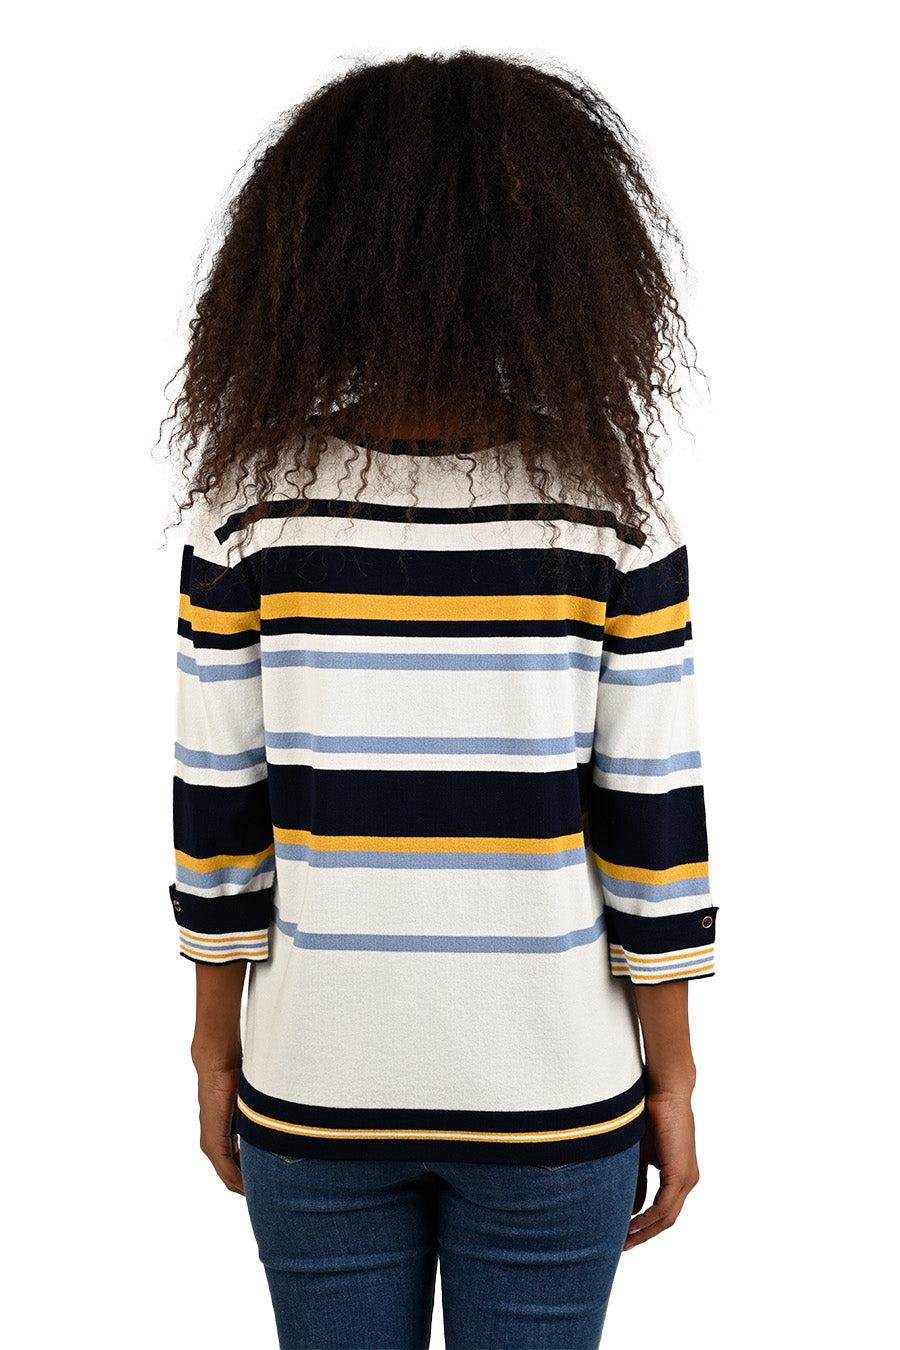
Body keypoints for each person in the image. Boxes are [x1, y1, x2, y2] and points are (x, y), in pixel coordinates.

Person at [163, 48, 718, 1350]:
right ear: (570, 260)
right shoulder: (611, 512)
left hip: (314, 1088)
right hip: (556, 1101)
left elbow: (218, 827)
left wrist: (212, 1049)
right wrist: (677, 1074)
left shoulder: (247, 511)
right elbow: (653, 832)